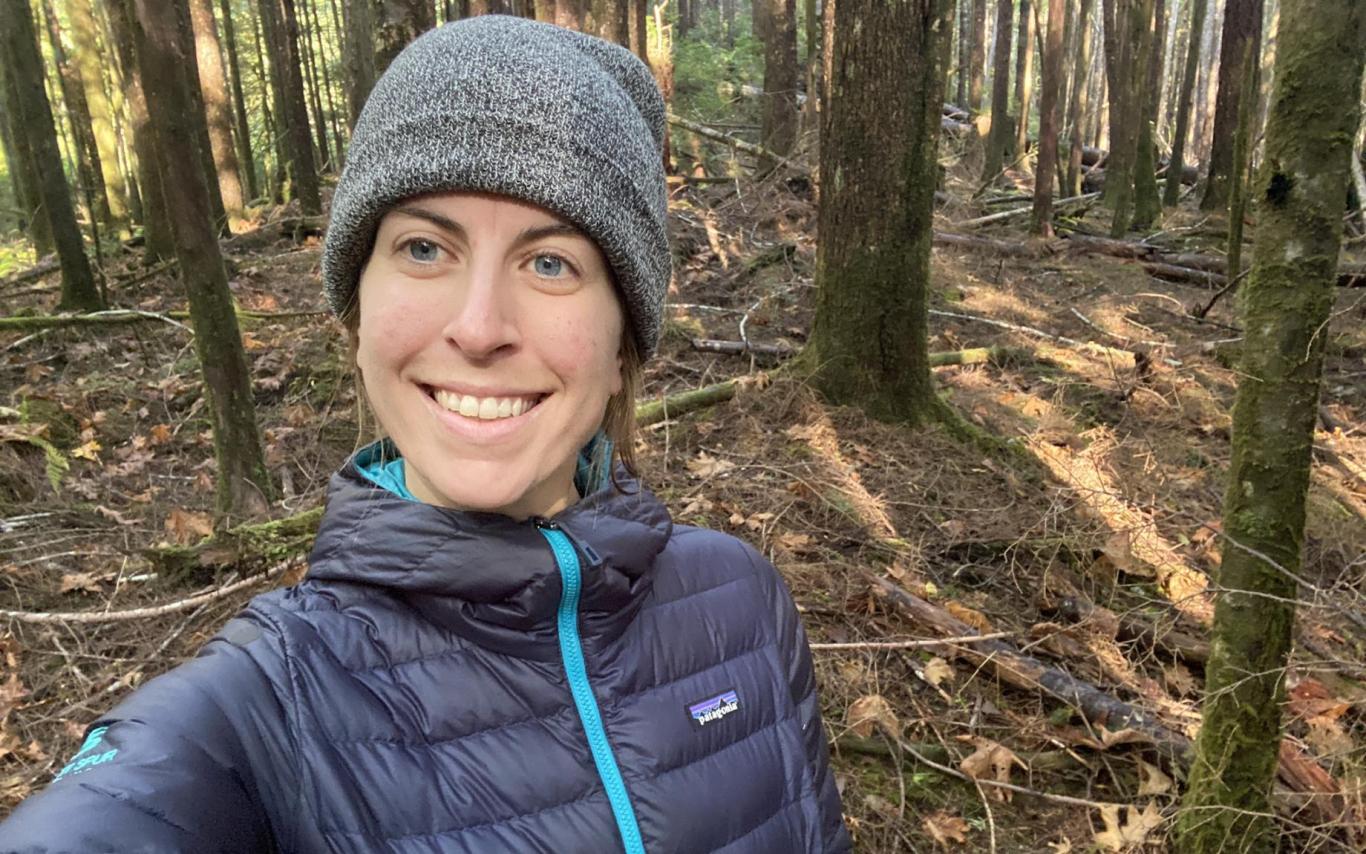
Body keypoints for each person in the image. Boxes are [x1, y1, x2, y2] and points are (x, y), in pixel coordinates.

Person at [0, 15, 849, 854]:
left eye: (550, 261)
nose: (479, 329)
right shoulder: (265, 705)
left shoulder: (741, 604)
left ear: (624, 346)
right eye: (423, 249)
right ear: (357, 318)